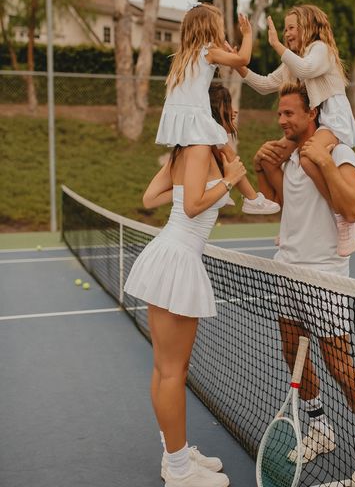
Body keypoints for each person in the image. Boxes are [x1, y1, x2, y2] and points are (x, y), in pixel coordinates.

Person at [253, 82, 355, 487]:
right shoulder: (292, 158)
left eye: (288, 113)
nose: (281, 120)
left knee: (338, 364)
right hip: (288, 271)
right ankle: (318, 426)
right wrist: (264, 166)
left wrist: (323, 160)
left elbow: (352, 206)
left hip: (325, 278)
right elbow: (279, 202)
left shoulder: (340, 153)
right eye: (279, 113)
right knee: (291, 351)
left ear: (312, 113)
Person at [124, 85, 248, 487]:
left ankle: (174, 453)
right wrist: (227, 180)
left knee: (168, 370)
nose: (235, 117)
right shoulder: (198, 151)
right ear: (220, 111)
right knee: (172, 372)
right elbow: (194, 206)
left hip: (172, 252)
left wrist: (210, 178)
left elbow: (149, 197)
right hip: (177, 257)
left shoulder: (187, 152)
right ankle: (178, 470)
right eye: (232, 109)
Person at [236, 4, 355, 255]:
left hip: (331, 121)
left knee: (308, 158)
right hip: (313, 121)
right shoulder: (293, 61)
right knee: (271, 159)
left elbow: (306, 69)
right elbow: (263, 84)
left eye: (291, 27)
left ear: (308, 27)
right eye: (284, 30)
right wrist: (237, 63)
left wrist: (275, 44)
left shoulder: (320, 50)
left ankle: (343, 219)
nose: (286, 33)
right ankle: (290, 224)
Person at [156, 1, 279, 216]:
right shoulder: (208, 52)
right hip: (196, 115)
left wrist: (225, 48)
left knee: (222, 151)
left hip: (182, 118)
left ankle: (241, 195)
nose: (221, 30)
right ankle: (250, 199)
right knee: (226, 151)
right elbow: (244, 59)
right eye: (219, 25)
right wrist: (248, 34)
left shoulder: (183, 56)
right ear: (209, 28)